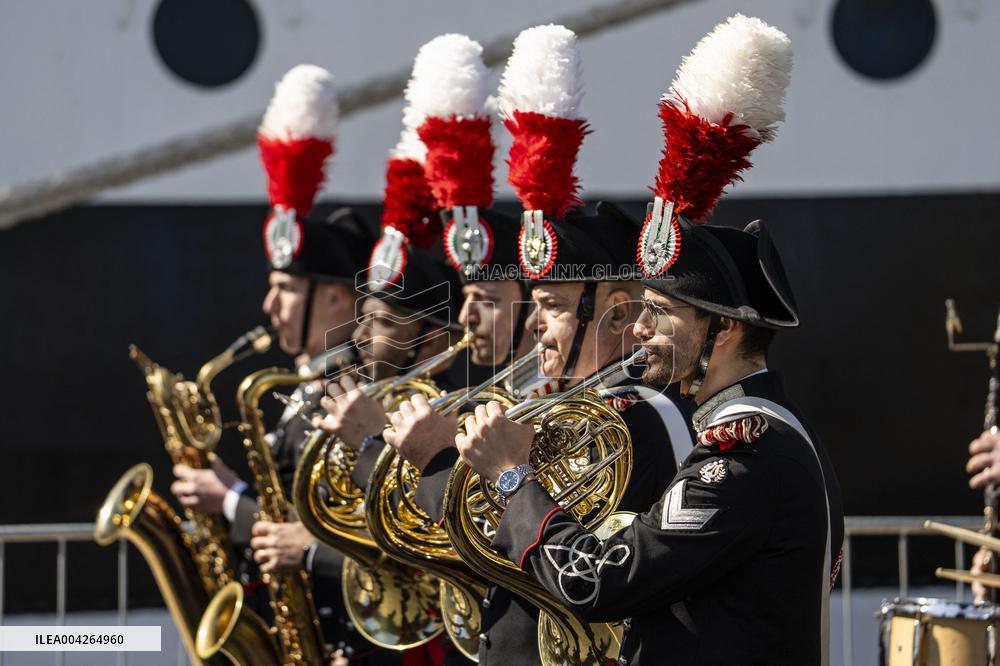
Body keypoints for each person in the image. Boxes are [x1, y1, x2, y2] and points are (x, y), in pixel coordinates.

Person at [454, 15, 846, 665]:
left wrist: (511, 474)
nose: (637, 328)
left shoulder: (742, 449)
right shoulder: (749, 433)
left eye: (660, 312)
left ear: (723, 329)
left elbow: (599, 580)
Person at [382, 24, 694, 666]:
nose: (533, 324)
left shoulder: (643, 416)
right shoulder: (570, 407)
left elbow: (533, 547)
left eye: (551, 306)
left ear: (613, 311)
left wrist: (441, 463)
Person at [169, 64, 387, 664]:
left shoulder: (361, 388)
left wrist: (231, 504)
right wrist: (235, 494)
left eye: (286, 290)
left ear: (337, 297)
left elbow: (375, 531)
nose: (269, 307)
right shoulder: (305, 385)